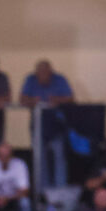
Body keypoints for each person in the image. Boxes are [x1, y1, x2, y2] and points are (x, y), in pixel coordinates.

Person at [19, 59, 74, 188]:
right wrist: (33, 101)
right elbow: (22, 99)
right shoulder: (30, 80)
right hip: (38, 127)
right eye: (40, 72)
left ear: (51, 72)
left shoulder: (60, 79)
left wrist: (57, 100)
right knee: (40, 161)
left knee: (60, 159)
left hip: (57, 127)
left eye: (46, 72)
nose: (43, 75)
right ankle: (43, 192)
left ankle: (60, 192)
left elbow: (70, 98)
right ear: (36, 73)